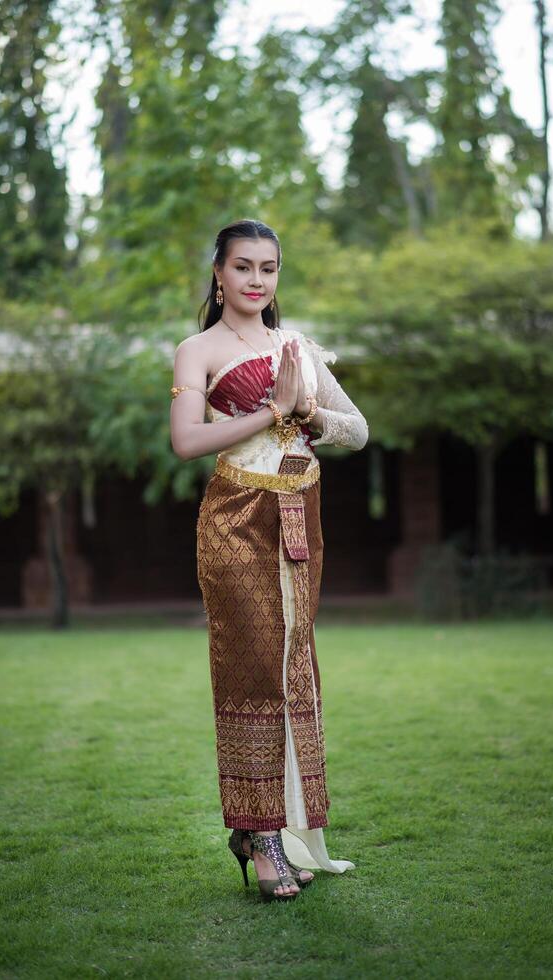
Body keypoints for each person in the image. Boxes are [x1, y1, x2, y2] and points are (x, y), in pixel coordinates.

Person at [170, 218, 368, 902]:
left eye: (269, 268)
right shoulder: (196, 350)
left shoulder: (296, 345)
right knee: (250, 668)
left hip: (298, 519)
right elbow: (186, 441)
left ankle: (281, 833)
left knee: (293, 670)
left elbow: (358, 429)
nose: (257, 280)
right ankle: (258, 839)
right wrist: (268, 412)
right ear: (218, 274)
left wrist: (309, 414)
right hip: (234, 520)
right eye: (244, 267)